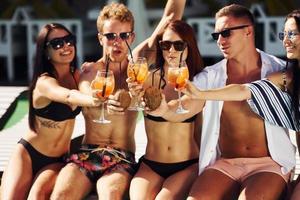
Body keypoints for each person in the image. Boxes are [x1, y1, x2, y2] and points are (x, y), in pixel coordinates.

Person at [149, 4, 296, 200]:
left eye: (226, 33)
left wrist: (201, 94)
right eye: (216, 35)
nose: (220, 41)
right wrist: (164, 111)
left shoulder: (279, 71)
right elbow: (187, 105)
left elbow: (244, 90)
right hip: (225, 163)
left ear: (248, 31)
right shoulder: (211, 75)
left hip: (269, 164)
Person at [50, 1, 186, 199]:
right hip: (88, 153)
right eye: (110, 36)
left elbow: (170, 19)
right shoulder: (89, 72)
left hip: (121, 158)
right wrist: (102, 100)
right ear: (100, 38)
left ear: (131, 37)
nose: (117, 42)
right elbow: (89, 94)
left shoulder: (138, 65)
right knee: (60, 195)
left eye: (123, 35)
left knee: (111, 195)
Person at [0, 23, 100, 200]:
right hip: (28, 153)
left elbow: (100, 78)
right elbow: (69, 96)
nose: (66, 46)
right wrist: (93, 100)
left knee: (37, 195)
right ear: (46, 51)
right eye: (57, 43)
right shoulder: (44, 82)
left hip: (57, 159)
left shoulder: (77, 76)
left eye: (69, 40)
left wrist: (93, 69)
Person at [128, 20, 203, 199]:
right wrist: (134, 94)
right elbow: (131, 59)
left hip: (186, 164)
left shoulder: (198, 83)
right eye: (165, 44)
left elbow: (182, 109)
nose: (171, 51)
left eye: (178, 45)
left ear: (189, 47)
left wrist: (162, 110)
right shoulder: (145, 78)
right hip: (150, 164)